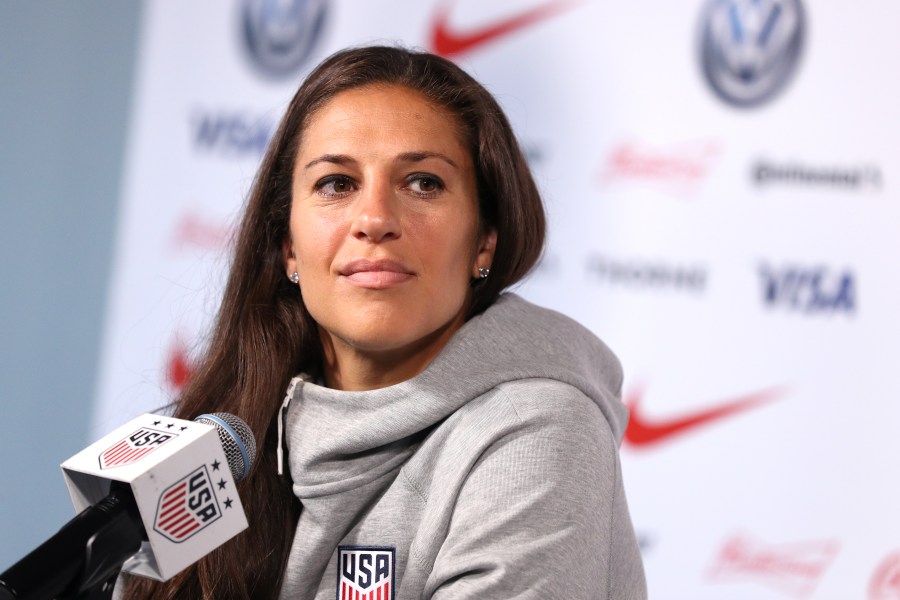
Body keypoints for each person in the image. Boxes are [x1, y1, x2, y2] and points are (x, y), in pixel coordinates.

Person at [122, 45, 646, 599]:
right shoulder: (230, 430)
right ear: (288, 246)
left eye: (423, 182)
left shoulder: (539, 428)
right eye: (336, 184)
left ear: (484, 240)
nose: (374, 219)